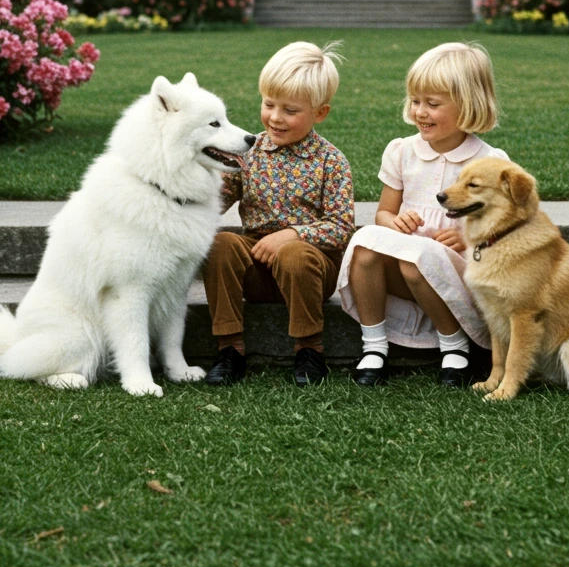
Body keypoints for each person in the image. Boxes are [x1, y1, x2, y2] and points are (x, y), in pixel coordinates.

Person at [337, 42, 508, 387]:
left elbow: (505, 231)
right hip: (407, 262)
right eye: (415, 101)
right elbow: (384, 214)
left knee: (417, 261)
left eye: (433, 104)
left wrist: (465, 236)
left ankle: (454, 345)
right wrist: (394, 222)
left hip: (457, 272)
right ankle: (374, 345)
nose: (420, 112)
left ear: (468, 105)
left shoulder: (489, 161)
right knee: (365, 246)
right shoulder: (402, 151)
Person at [203, 41, 354, 388]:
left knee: (295, 254)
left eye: (290, 110)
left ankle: (310, 349)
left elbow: (342, 227)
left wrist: (292, 235)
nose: (275, 117)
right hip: (257, 264)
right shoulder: (249, 152)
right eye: (269, 104)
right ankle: (229, 348)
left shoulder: (331, 162)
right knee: (222, 243)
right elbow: (214, 202)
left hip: (310, 268)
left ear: (320, 113)